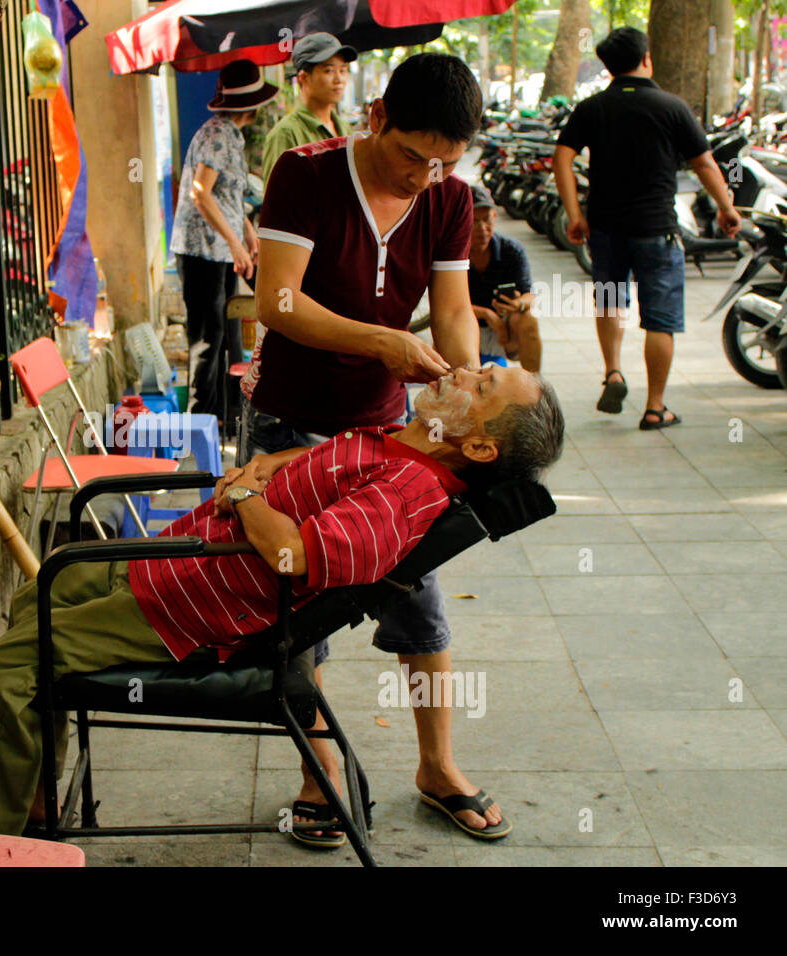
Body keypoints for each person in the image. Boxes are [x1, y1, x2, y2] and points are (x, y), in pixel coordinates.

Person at [0, 365, 565, 838]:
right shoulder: (400, 441)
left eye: (480, 387)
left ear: (481, 447)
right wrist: (264, 469)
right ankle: (36, 800)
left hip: (191, 604)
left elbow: (295, 557)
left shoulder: (405, 495)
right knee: (35, 597)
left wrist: (241, 497)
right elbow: (323, 459)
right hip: (177, 560)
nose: (461, 372)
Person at [243, 52, 497, 846]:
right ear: (377, 114)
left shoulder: (449, 199)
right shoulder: (307, 171)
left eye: (444, 162)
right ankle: (319, 772)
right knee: (302, 609)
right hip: (291, 423)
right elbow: (276, 301)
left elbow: (452, 308)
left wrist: (458, 375)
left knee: (419, 604)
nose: (426, 176)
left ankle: (436, 766)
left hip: (383, 434)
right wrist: (381, 342)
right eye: (413, 156)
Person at [553, 26, 740, 430]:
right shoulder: (672, 107)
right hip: (657, 230)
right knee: (660, 320)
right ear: (647, 59)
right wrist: (727, 208)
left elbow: (561, 157)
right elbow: (704, 164)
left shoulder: (592, 108)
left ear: (607, 65)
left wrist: (574, 214)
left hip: (604, 230)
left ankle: (614, 372)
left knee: (609, 301)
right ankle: (655, 408)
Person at [168, 60, 278, 422]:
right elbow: (201, 192)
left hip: (219, 248)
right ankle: (203, 422)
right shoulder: (216, 134)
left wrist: (246, 230)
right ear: (253, 104)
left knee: (222, 335)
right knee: (207, 339)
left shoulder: (232, 133)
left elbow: (227, 196)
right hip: (202, 250)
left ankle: (222, 415)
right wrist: (234, 242)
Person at [261, 33, 356, 184]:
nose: (339, 80)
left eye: (343, 70)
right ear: (303, 78)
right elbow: (276, 202)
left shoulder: (344, 128)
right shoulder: (286, 134)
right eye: (329, 71)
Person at [467, 183, 542, 371]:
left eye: (487, 220)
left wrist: (518, 304)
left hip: (506, 333)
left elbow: (528, 294)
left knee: (528, 320)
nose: (482, 228)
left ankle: (534, 389)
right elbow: (444, 303)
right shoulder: (451, 252)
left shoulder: (511, 250)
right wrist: (488, 315)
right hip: (467, 325)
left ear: (495, 218)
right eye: (475, 221)